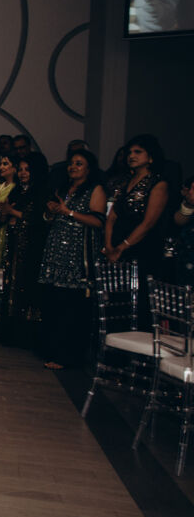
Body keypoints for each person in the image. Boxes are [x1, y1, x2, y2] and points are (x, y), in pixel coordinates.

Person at [38, 149, 106, 370]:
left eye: (79, 163)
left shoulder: (95, 189)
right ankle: (50, 349)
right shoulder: (63, 189)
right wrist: (51, 211)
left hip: (77, 255)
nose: (73, 167)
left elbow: (98, 222)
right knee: (54, 302)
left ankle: (67, 355)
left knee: (72, 307)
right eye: (71, 163)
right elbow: (51, 218)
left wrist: (68, 212)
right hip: (56, 252)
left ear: (89, 169)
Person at [103, 134, 169, 323]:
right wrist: (109, 246)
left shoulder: (158, 184)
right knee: (117, 301)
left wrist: (122, 247)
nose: (131, 156)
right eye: (130, 152)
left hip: (142, 249)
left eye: (138, 152)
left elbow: (148, 223)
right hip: (117, 249)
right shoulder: (124, 182)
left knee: (139, 302)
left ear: (151, 157)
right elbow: (112, 217)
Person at [0, 155, 48, 348]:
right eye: (20, 169)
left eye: (27, 169)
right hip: (14, 244)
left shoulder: (42, 191)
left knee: (27, 285)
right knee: (11, 284)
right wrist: (4, 211)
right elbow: (3, 218)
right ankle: (10, 330)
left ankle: (27, 334)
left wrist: (12, 212)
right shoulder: (17, 190)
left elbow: (39, 218)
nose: (23, 173)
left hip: (32, 245)